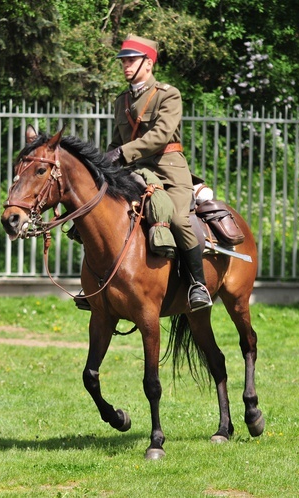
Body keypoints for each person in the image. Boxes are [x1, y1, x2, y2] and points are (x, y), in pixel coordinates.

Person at [104, 34, 212, 312]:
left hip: (167, 169)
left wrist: (123, 153)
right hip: (134, 171)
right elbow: (117, 141)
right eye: (124, 61)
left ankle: (197, 285)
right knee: (104, 213)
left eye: (131, 61)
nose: (126, 66)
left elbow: (161, 135)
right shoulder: (122, 100)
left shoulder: (168, 94)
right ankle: (97, 284)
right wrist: (105, 161)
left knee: (176, 217)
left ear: (148, 63)